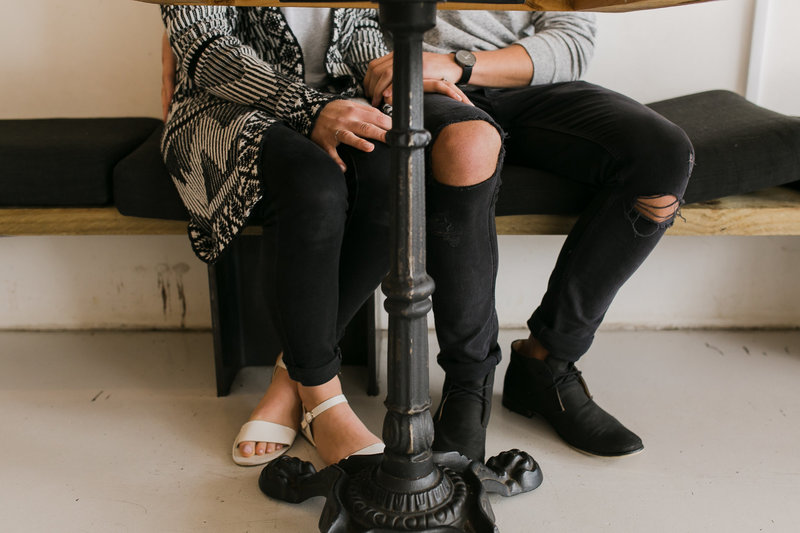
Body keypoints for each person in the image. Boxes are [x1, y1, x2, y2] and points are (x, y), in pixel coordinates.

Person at [160, 6, 502, 466]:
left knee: (397, 171)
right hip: (222, 107)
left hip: (339, 97)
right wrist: (311, 108)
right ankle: (323, 400)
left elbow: (359, 27)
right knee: (314, 183)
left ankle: (290, 376)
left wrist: (387, 77)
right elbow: (205, 47)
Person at [364, 10, 694, 459]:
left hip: (529, 85)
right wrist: (401, 70)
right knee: (468, 144)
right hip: (417, 86)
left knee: (664, 155)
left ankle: (548, 362)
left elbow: (573, 42)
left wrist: (462, 63)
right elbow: (344, 27)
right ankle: (468, 382)